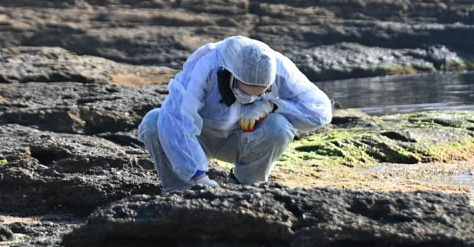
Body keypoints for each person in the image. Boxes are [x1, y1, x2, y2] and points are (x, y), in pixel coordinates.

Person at [138, 36, 332, 192]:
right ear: (231, 74)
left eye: (260, 93)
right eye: (245, 92)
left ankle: (247, 186)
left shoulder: (280, 67)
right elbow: (178, 116)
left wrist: (271, 105)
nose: (250, 99)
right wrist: (199, 177)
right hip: (200, 136)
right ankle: (181, 190)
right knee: (154, 121)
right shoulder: (207, 61)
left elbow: (320, 111)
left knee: (279, 126)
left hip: (242, 140)